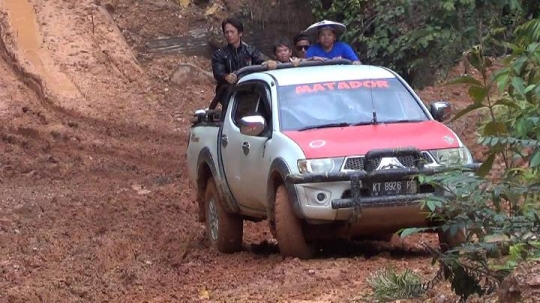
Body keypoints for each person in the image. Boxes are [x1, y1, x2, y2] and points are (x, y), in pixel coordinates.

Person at [209, 17, 265, 110]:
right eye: (226, 32)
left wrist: (268, 64)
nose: (229, 35)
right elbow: (218, 72)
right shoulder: (219, 54)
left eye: (232, 32)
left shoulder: (251, 51)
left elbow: (261, 64)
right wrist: (226, 77)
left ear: (240, 33)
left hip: (251, 88)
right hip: (228, 90)